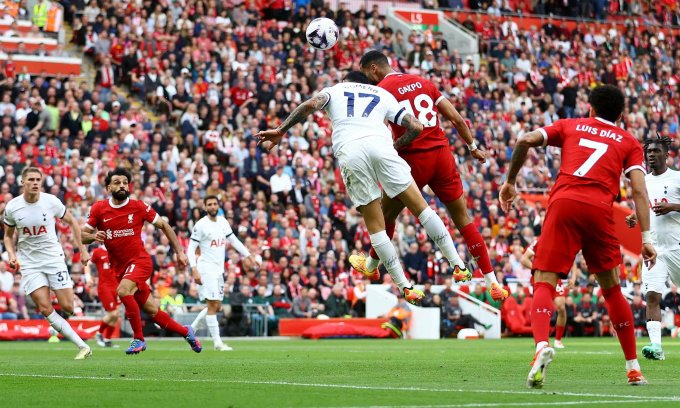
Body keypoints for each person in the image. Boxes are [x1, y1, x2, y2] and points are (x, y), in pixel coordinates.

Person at [257, 71, 467, 305]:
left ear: (346, 82)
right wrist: (393, 146)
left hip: (351, 151)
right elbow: (416, 126)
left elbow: (309, 105)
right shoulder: (381, 92)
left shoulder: (335, 90)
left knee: (377, 227)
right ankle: (457, 264)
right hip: (381, 146)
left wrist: (281, 130)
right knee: (422, 209)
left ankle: (406, 287)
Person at [499, 85, 656, 387]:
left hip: (564, 204)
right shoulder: (629, 141)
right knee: (611, 289)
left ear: (590, 109)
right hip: (600, 209)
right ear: (621, 115)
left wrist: (510, 182)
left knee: (544, 280)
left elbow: (524, 140)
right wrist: (646, 238)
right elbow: (638, 189)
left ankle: (541, 345)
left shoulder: (570, 126)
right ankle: (633, 368)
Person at [356, 50, 508, 301]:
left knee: (385, 215)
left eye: (365, 74)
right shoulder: (424, 82)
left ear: (373, 68)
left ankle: (371, 266)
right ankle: (493, 282)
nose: (368, 80)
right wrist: (472, 147)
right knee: (464, 220)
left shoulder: (381, 91)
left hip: (413, 159)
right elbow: (456, 118)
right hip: (442, 156)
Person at [82, 168, 202, 355]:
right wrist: (92, 237)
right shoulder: (99, 208)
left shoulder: (139, 206)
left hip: (140, 261)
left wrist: (179, 251)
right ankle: (187, 332)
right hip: (120, 268)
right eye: (117, 182)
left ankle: (138, 339)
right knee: (153, 312)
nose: (122, 185)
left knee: (122, 291)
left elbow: (164, 225)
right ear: (108, 187)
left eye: (125, 182)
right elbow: (82, 236)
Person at [3, 167, 92, 360]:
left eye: (38, 180)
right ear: (23, 182)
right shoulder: (12, 207)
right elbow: (8, 237)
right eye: (31, 179)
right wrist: (11, 254)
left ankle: (61, 324)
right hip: (29, 263)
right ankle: (82, 346)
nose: (35, 183)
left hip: (53, 258)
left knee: (68, 306)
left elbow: (73, 223)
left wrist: (83, 250)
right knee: (44, 308)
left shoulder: (51, 202)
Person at [626, 135, 680, 361]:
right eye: (648, 151)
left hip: (677, 246)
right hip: (654, 248)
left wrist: (672, 206)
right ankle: (656, 346)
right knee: (652, 296)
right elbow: (643, 208)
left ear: (666, 154)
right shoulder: (643, 181)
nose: (650, 154)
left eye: (655, 151)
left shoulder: (677, 178)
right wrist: (634, 217)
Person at [188, 195, 257, 351]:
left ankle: (190, 330)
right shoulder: (201, 225)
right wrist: (194, 268)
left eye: (215, 204)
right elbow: (191, 249)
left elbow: (234, 241)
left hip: (219, 270)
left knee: (217, 306)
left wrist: (249, 256)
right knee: (212, 305)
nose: (213, 206)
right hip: (206, 268)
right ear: (205, 207)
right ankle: (217, 343)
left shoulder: (223, 221)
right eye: (210, 204)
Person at [521, 239, 572, 349]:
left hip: (556, 278)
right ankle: (541, 340)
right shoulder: (538, 241)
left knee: (561, 307)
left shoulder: (562, 241)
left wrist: (574, 277)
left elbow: (572, 259)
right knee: (541, 308)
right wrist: (538, 269)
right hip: (541, 277)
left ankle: (558, 340)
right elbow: (524, 259)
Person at [91, 245, 120, 347]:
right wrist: (89, 278)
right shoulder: (98, 252)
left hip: (117, 286)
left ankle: (107, 340)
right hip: (105, 287)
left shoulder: (117, 250)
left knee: (117, 315)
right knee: (113, 313)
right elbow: (88, 264)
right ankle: (99, 333)